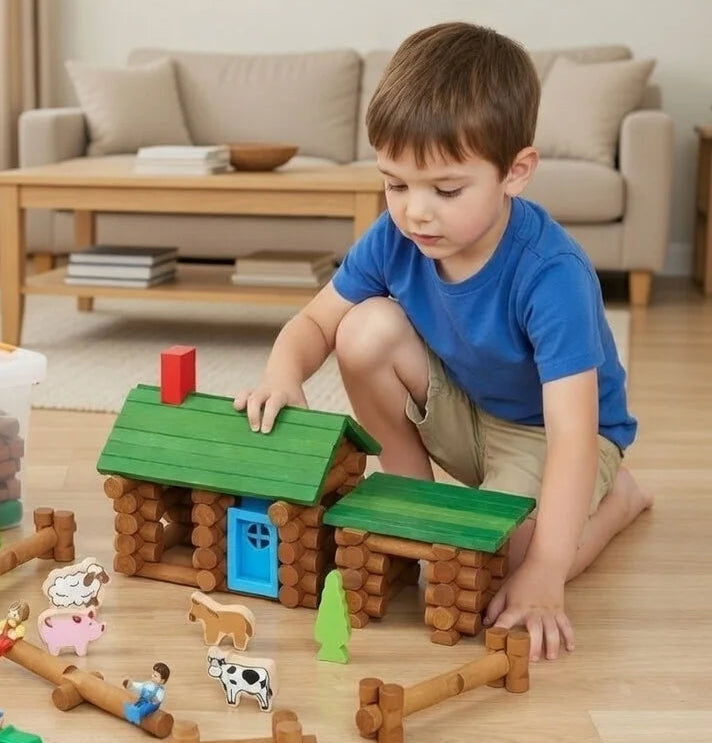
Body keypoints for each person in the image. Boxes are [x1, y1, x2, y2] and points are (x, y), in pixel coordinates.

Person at [234, 22, 652, 662]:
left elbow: (572, 434)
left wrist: (545, 573)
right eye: (395, 184)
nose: (415, 212)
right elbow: (315, 324)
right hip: (470, 416)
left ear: (516, 173)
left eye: (446, 190)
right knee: (363, 327)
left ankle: (616, 502)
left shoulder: (552, 274)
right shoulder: (394, 237)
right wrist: (282, 374)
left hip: (563, 439)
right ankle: (412, 492)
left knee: (503, 562)